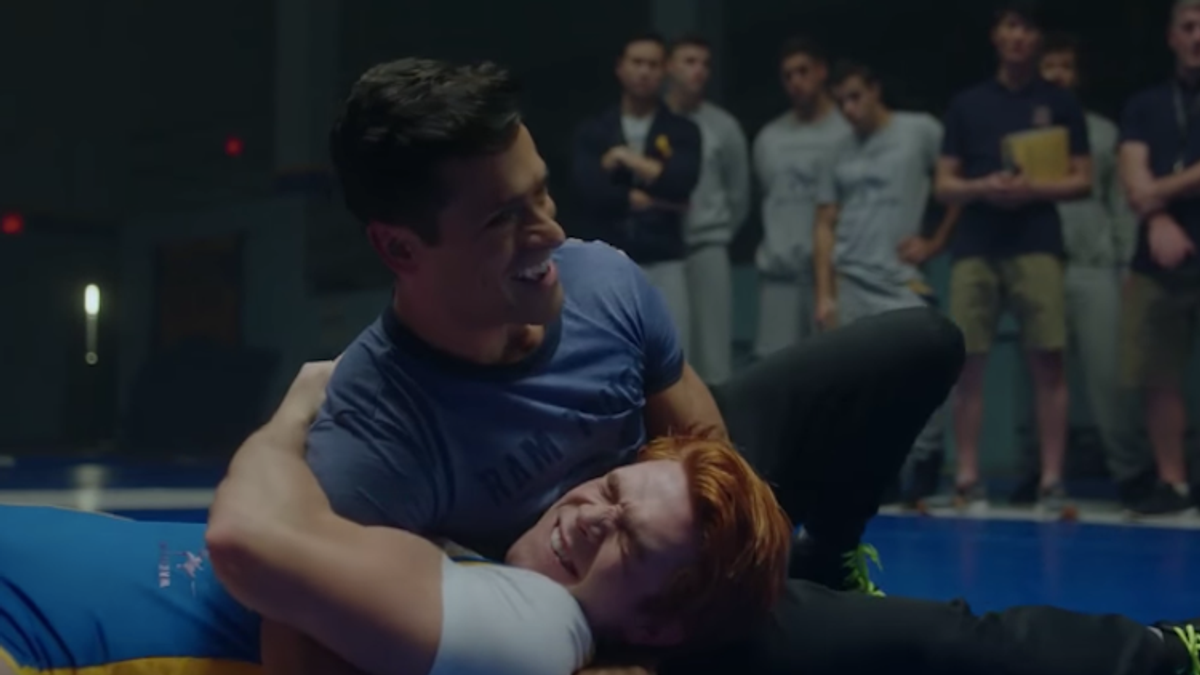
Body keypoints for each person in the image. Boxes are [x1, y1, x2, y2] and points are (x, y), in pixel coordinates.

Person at [307, 54, 964, 675]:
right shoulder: (372, 439)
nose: (550, 233)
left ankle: (828, 556)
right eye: (504, 219)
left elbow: (706, 446)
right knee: (948, 643)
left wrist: (734, 566)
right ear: (400, 248)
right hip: (620, 599)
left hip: (665, 502)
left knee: (924, 342)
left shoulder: (599, 280)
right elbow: (314, 644)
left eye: (542, 194)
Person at [0, 361, 793, 675]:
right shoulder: (513, 581)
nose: (592, 513)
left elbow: (247, 539)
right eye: (612, 489)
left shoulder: (532, 633)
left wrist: (293, 413)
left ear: (658, 624)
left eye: (629, 537)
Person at [935, 0, 1091, 515]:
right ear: (996, 36)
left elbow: (1083, 178)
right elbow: (945, 184)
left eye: (1027, 27)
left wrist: (1032, 189)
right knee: (967, 362)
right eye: (1010, 26)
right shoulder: (967, 104)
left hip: (1037, 242)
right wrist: (984, 186)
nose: (1018, 36)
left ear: (1037, 39)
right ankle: (967, 477)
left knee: (1048, 360)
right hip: (976, 245)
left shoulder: (1060, 103)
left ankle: (1052, 479)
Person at [813, 60, 961, 506]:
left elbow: (954, 186)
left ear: (875, 90)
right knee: (862, 385)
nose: (849, 109)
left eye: (855, 97)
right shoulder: (837, 149)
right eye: (841, 102)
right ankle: (882, 470)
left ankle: (927, 459)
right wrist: (825, 292)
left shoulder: (919, 131)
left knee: (921, 372)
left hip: (899, 277)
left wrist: (936, 241)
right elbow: (824, 223)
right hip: (851, 276)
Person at [1038, 32, 1153, 510]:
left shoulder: (1104, 132)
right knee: (1042, 379)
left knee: (1110, 375)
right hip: (1039, 264)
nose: (1057, 75)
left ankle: (1131, 470)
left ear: (1077, 75)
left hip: (1094, 266)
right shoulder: (1022, 134)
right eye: (1049, 66)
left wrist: (1126, 264)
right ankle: (1042, 473)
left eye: (1065, 66)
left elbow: (1121, 205)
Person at [1117, 0, 1200, 516]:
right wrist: (1156, 219)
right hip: (1159, 255)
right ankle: (1173, 483)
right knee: (1156, 373)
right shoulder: (1145, 104)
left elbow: (1148, 186)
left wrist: (1155, 195)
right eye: (1189, 27)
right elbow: (1132, 171)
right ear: (1172, 37)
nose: (1198, 37)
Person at [572, 33, 703, 355]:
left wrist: (625, 158)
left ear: (665, 70)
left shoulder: (682, 130)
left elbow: (681, 182)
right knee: (608, 353)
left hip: (665, 258)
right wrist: (644, 197)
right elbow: (590, 191)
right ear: (620, 67)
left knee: (674, 355)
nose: (644, 72)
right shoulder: (595, 130)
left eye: (653, 65)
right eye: (637, 63)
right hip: (608, 259)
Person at [752, 36, 853, 357]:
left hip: (836, 277)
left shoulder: (848, 131)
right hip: (780, 276)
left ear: (822, 71)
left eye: (803, 71)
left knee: (836, 368)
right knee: (775, 372)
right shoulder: (769, 138)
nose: (796, 81)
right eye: (788, 76)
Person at [664, 33, 752, 385]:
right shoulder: (655, 122)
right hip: (662, 252)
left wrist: (716, 231)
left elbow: (739, 194)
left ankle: (719, 420)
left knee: (715, 357)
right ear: (670, 67)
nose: (698, 71)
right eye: (689, 61)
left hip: (708, 245)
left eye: (704, 64)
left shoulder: (724, 126)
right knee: (671, 351)